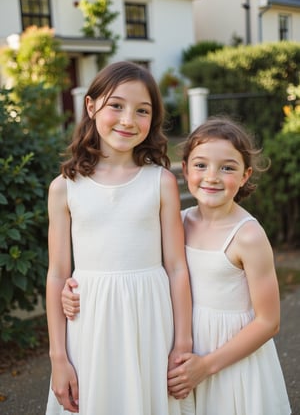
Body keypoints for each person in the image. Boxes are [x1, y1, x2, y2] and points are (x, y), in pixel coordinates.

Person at [45, 61, 194, 415]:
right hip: (90, 322)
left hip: (150, 320)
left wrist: (183, 342)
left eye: (142, 111)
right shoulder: (64, 188)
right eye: (117, 105)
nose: (128, 120)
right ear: (91, 106)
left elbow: (176, 267)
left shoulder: (161, 182)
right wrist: (58, 357)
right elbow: (57, 273)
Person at [166, 117, 291, 414]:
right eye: (200, 165)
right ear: (184, 169)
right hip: (186, 354)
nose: (212, 177)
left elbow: (268, 322)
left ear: (246, 175)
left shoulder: (248, 236)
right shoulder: (177, 223)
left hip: (233, 362)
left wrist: (206, 366)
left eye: (227, 167)